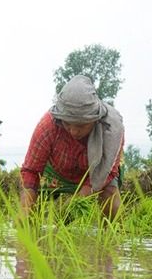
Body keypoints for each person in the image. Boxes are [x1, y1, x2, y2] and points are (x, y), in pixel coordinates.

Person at [20, 75, 125, 222]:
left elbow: (108, 171)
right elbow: (31, 171)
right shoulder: (47, 127)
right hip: (56, 171)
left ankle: (112, 235)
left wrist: (76, 201)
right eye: (67, 124)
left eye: (81, 125)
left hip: (98, 172)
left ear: (94, 119)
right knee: (32, 212)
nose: (74, 131)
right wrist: (25, 210)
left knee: (112, 199)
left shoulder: (111, 129)